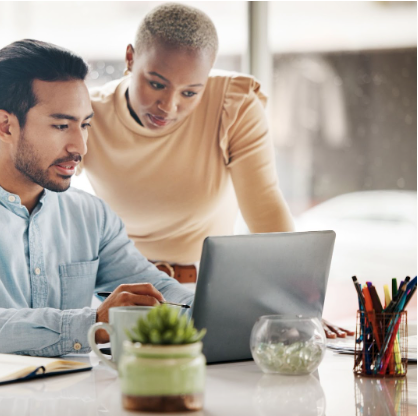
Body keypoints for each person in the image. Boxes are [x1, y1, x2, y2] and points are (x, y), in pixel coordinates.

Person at [0, 39, 193, 360]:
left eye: (84, 125)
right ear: (5, 126)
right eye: (61, 125)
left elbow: (157, 291)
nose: (80, 147)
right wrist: (93, 323)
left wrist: (213, 310)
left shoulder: (91, 216)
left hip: (70, 403)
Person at [81, 3, 351, 338]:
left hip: (208, 296)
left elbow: (265, 207)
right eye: (156, 84)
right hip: (125, 297)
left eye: (190, 92)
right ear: (130, 58)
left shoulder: (232, 104)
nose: (169, 105)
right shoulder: (88, 113)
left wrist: (294, 305)